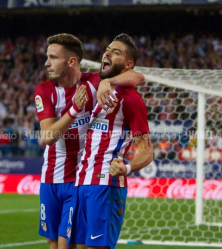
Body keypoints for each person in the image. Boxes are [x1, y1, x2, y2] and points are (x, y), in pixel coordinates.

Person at [34, 33, 144, 249]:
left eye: (53, 57)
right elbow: (48, 137)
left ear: (71, 61)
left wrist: (109, 81)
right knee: (54, 245)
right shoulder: (45, 90)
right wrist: (74, 109)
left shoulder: (95, 82)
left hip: (79, 179)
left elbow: (137, 77)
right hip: (51, 177)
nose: (47, 63)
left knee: (74, 245)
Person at [68, 33, 153, 249]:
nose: (107, 53)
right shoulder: (99, 89)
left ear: (128, 64)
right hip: (81, 183)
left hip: (106, 184)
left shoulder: (131, 99)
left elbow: (147, 150)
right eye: (107, 49)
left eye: (116, 52)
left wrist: (127, 167)